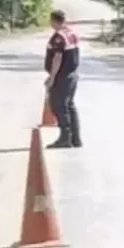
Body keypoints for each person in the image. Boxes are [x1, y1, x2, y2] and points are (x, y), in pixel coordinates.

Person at [44, 9, 82, 148]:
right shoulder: (71, 33)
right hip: (72, 74)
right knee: (69, 105)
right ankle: (75, 138)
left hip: (62, 76)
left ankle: (65, 138)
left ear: (53, 21)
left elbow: (57, 58)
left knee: (58, 105)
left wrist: (52, 77)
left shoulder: (59, 37)